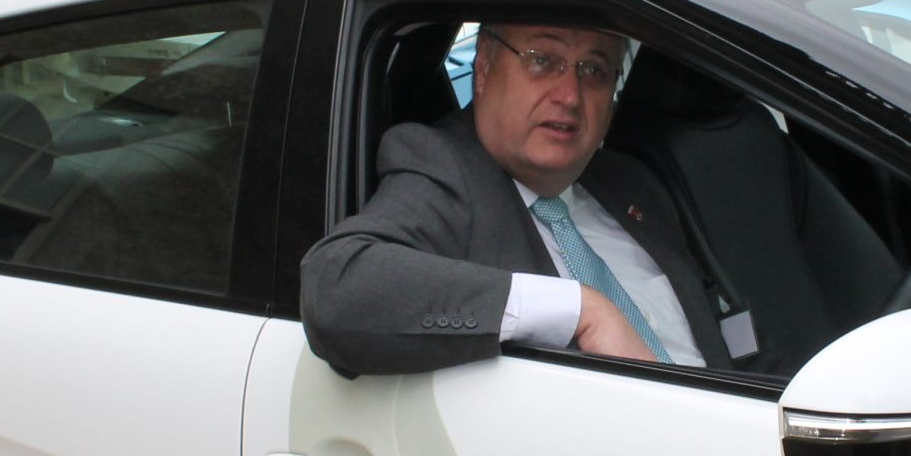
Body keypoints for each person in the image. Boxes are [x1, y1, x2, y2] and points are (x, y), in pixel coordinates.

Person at [300, 21, 730, 377]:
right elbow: (336, 293)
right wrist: (580, 309)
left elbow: (731, 338)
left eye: (594, 70)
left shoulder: (633, 182)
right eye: (542, 61)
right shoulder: (445, 172)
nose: (570, 94)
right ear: (483, 66)